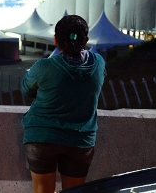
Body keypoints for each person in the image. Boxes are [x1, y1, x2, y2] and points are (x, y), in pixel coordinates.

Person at [21, 15, 106, 193]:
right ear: (86, 41)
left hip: (42, 137)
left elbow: (26, 89)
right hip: (81, 139)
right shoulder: (98, 63)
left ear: (55, 40)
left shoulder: (44, 66)